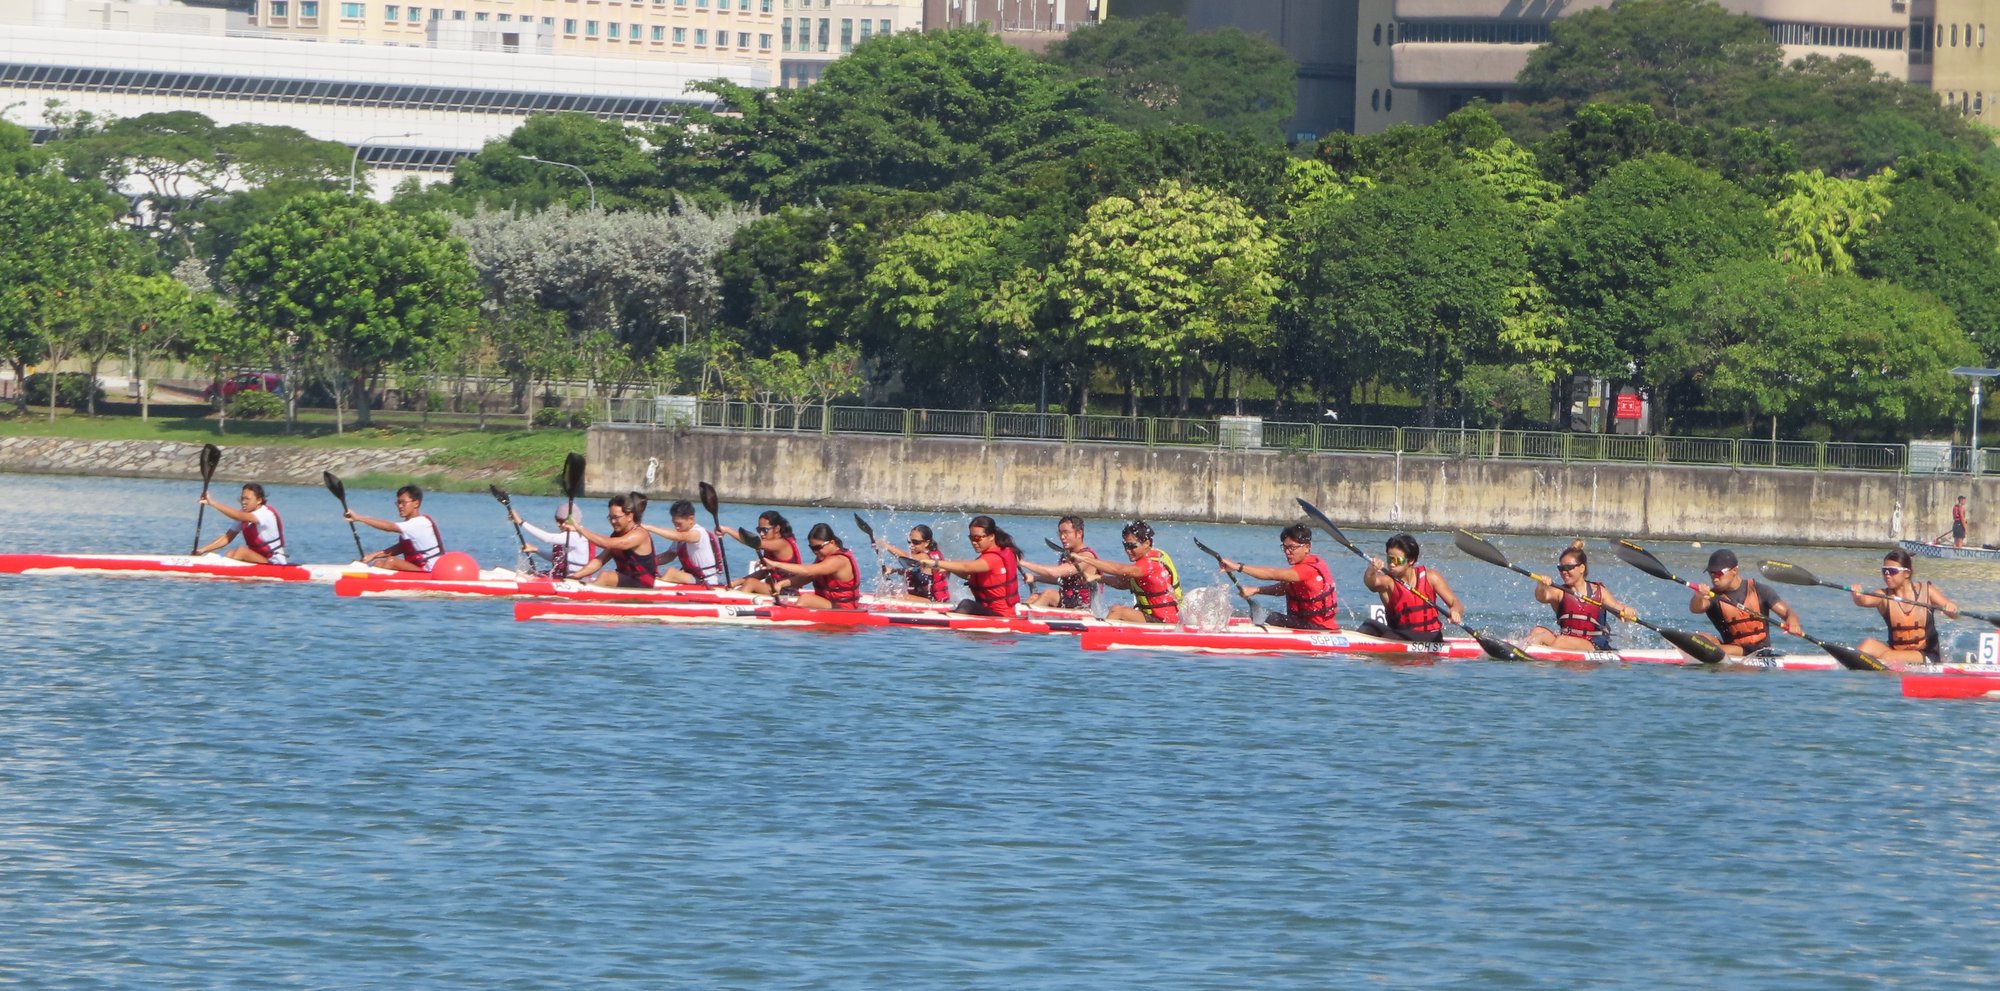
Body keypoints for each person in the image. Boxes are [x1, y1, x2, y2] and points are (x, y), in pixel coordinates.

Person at [1217, 524, 1339, 630]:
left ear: (1307, 547)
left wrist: (1238, 567)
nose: (1287, 552)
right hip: (1309, 625)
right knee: (1269, 617)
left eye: (1292, 547)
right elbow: (1285, 589)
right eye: (1285, 547)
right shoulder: (1315, 562)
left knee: (1273, 618)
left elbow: (1273, 574)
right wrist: (1256, 590)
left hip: (1317, 628)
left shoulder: (1307, 569)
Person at [1852, 549, 1960, 666]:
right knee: (1867, 645)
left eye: (1892, 571)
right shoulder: (1883, 595)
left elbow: (1954, 614)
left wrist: (1951, 608)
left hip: (1926, 655)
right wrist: (1858, 596)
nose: (1887, 575)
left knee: (1888, 657)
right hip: (1896, 652)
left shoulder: (1927, 591)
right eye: (1884, 571)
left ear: (1907, 573)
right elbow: (1864, 601)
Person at [1688, 549, 1802, 656]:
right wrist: (1698, 595)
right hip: (1732, 648)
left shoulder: (1759, 590)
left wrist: (1793, 622)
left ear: (1734, 571)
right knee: (1699, 638)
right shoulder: (1712, 596)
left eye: (1718, 573)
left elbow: (1787, 612)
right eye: (1711, 574)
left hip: (1759, 650)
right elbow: (1696, 608)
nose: (1715, 578)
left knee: (1713, 648)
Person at [1357, 534, 1463, 643]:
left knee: (1390, 636)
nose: (1392, 564)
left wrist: (1455, 611)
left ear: (1411, 560)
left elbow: (1456, 604)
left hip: (1431, 637)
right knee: (1369, 625)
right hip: (1398, 634)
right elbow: (1371, 584)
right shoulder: (1388, 582)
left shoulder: (1431, 577)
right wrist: (1371, 570)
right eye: (1389, 559)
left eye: (1397, 560)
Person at [1526, 547, 1637, 651]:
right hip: (1566, 641)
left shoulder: (1599, 591)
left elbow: (1619, 609)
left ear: (1582, 568)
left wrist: (1627, 612)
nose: (1564, 572)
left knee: (1561, 640)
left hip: (1594, 644)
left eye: (1568, 568)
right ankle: (1527, 652)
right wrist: (1541, 585)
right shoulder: (1560, 592)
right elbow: (1541, 597)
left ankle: (1535, 652)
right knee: (1538, 631)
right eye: (1561, 568)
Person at [1070, 520, 1180, 625]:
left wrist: (1084, 559)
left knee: (1117, 611)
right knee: (1115, 609)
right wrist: (1097, 577)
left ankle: (1100, 635)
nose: (1128, 550)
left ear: (1147, 543)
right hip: (1154, 618)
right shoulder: (1153, 558)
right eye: (1125, 546)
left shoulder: (1150, 564)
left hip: (1165, 621)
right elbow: (1122, 583)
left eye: (1132, 546)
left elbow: (1119, 570)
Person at [925, 515, 1022, 618]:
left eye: (977, 538)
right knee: (965, 606)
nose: (974, 542)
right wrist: (948, 568)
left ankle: (948, 621)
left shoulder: (993, 558)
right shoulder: (998, 552)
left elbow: (967, 567)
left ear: (991, 536)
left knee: (967, 604)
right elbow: (970, 575)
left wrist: (936, 563)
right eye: (971, 538)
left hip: (1000, 616)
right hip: (993, 612)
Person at [565, 492, 658, 588]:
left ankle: (587, 598)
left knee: (605, 576)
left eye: (616, 517)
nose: (613, 522)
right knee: (600, 576)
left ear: (629, 516)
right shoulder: (616, 535)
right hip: (626, 581)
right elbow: (599, 561)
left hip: (642, 585)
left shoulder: (639, 534)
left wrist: (580, 529)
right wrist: (575, 576)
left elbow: (604, 543)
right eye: (610, 517)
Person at [761, 523, 862, 609]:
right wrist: (781, 584)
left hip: (843, 608)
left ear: (832, 542)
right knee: (806, 599)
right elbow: (806, 578)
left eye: (818, 547)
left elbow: (807, 570)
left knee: (806, 599)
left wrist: (775, 564)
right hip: (829, 604)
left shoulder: (838, 560)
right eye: (812, 548)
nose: (815, 552)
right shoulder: (823, 557)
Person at [347, 484, 444, 572]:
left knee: (391, 561)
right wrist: (373, 556)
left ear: (416, 503)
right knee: (378, 563)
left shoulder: (419, 523)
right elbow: (402, 547)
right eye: (398, 503)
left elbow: (390, 527)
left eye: (403, 503)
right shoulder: (410, 524)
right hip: (420, 568)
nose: (400, 506)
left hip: (431, 570)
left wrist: (359, 518)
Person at [196, 482, 288, 565]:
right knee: (229, 553)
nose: (243, 502)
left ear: (259, 500)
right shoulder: (245, 513)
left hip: (275, 561)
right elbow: (227, 537)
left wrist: (213, 503)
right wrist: (203, 550)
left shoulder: (265, 514)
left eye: (247, 499)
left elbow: (238, 516)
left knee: (241, 551)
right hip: (260, 558)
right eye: (242, 498)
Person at [642, 500, 728, 586]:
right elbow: (669, 555)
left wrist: (649, 528)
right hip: (694, 578)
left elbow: (680, 536)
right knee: (662, 573)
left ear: (691, 519)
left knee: (671, 573)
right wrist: (646, 563)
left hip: (707, 581)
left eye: (679, 524)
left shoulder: (698, 533)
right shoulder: (682, 534)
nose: (677, 527)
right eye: (674, 524)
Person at [1020, 516, 1095, 610]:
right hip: (1068, 601)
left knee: (1048, 594)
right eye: (1060, 533)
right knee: (1034, 597)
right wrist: (1036, 578)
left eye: (1066, 532)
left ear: (1079, 533)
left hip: (1082, 607)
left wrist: (1023, 563)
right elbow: (1063, 579)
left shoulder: (1086, 556)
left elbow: (1055, 572)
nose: (1062, 537)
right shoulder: (1068, 554)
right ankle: (1013, 614)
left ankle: (1026, 620)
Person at [721, 512, 801, 595]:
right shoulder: (769, 545)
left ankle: (734, 601)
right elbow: (764, 572)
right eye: (759, 530)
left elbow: (753, 543)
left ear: (777, 528)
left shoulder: (782, 544)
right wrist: (738, 582)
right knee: (748, 583)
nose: (761, 534)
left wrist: (728, 530)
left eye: (765, 530)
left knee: (751, 583)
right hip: (774, 588)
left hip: (787, 591)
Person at [510, 500, 591, 579]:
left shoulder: (575, 536)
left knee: (527, 576)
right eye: (556, 520)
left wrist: (521, 522)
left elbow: (547, 538)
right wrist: (536, 550)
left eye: (560, 521)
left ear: (572, 521)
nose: (557, 524)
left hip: (573, 580)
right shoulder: (572, 535)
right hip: (564, 577)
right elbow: (557, 560)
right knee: (529, 573)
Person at [877, 524, 952, 603]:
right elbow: (917, 572)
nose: (911, 545)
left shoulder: (926, 557)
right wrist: (894, 570)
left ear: (926, 543)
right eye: (909, 541)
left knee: (895, 597)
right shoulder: (922, 557)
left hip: (933, 602)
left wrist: (885, 545)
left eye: (916, 542)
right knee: (889, 592)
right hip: (924, 599)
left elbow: (906, 556)